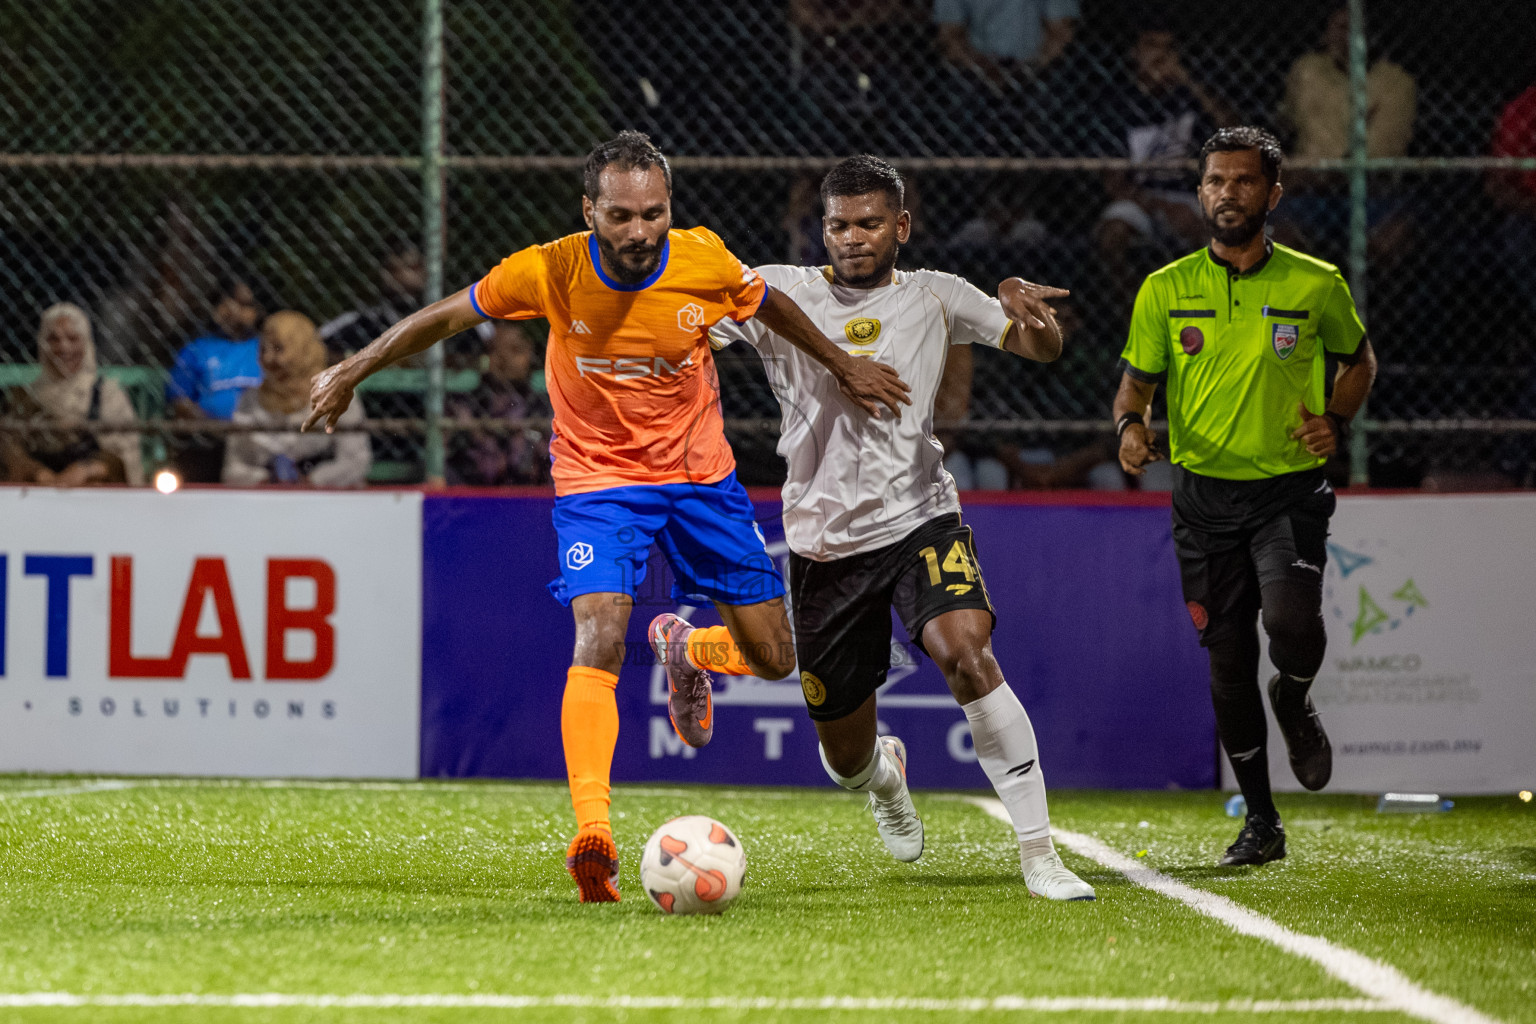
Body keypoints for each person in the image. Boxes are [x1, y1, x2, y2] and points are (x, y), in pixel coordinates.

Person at [304, 131, 908, 903]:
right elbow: (446, 317)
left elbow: (770, 305)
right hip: (598, 484)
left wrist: (842, 362)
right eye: (620, 216)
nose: (638, 232)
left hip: (701, 480)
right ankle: (593, 832)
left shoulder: (702, 259)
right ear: (590, 210)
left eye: (653, 214)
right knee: (600, 633)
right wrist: (354, 369)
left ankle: (691, 652)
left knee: (777, 658)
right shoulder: (550, 268)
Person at [709, 155, 1094, 900]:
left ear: (902, 226)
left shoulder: (938, 297)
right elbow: (690, 323)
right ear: (821, 227)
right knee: (844, 759)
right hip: (824, 546)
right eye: (839, 225)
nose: (852, 238)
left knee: (967, 653)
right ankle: (885, 776)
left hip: (922, 518)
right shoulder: (779, 291)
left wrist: (1032, 319)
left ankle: (1039, 853)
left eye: (869, 223)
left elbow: (1040, 350)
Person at [1112, 128, 1378, 866]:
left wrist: (1337, 419)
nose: (1227, 193)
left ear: (1272, 193)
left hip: (1287, 491)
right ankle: (1262, 823)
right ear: (1199, 193)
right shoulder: (1164, 288)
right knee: (1227, 663)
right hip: (1201, 502)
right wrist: (1132, 429)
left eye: (1243, 181)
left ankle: (1293, 695)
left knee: (1292, 623)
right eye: (1215, 182)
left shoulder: (1316, 282)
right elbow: (1135, 386)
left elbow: (1359, 360)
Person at [1094, 24, 1239, 304]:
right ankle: (1137, 315)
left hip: (1191, 195)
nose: (1160, 56)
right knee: (1112, 235)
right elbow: (1114, 182)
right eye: (1152, 46)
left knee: (1216, 237)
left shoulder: (1190, 97)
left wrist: (1190, 83)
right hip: (1138, 197)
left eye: (1168, 48)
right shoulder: (1118, 103)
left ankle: (1203, 317)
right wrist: (1161, 207)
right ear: (1135, 53)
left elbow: (1236, 134)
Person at [1275, 6, 1417, 262]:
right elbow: (1284, 125)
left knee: (1393, 238)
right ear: (1325, 35)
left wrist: (1303, 176)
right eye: (1340, 29)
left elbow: (1375, 156)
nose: (1346, 38)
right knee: (1281, 238)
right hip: (1307, 193)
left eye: (1356, 30)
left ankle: (1363, 298)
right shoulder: (1306, 71)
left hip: (1367, 192)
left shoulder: (1395, 82)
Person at [1, 303, 143, 487]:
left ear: (86, 343)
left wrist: (86, 470)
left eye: (73, 338)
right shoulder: (26, 395)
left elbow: (125, 456)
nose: (63, 348)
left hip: (92, 491)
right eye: (53, 339)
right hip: (37, 491)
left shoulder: (106, 394)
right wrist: (37, 472)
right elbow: (10, 450)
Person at [222, 312, 371, 488]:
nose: (268, 358)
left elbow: (356, 462)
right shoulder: (249, 400)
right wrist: (265, 479)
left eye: (278, 348)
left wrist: (312, 481)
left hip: (325, 496)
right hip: (264, 496)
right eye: (263, 350)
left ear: (304, 350)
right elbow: (233, 467)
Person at [165, 277, 264, 483]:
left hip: (261, 435)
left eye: (248, 305)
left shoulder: (265, 349)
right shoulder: (197, 349)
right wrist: (213, 426)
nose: (242, 311)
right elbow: (180, 402)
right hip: (210, 438)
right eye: (236, 303)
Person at [445, 322, 552, 487]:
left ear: (532, 356)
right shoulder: (466, 405)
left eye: (516, 350)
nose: (505, 361)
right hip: (474, 492)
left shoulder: (544, 406)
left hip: (529, 493)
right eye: (495, 351)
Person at [318, 239, 427, 360]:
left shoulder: (444, 321)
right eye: (391, 270)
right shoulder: (360, 323)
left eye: (416, 267)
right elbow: (316, 348)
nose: (390, 277)